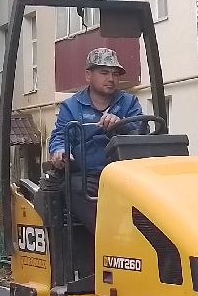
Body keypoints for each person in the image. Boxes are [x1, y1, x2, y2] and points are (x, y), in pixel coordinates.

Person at [48, 48, 142, 228]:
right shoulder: (71, 107)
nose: (111, 78)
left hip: (125, 177)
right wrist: (60, 152)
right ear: (88, 75)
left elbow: (141, 133)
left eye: (115, 74)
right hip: (89, 178)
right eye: (104, 73)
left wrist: (120, 124)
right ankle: (109, 235)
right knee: (73, 187)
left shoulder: (129, 103)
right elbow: (60, 136)